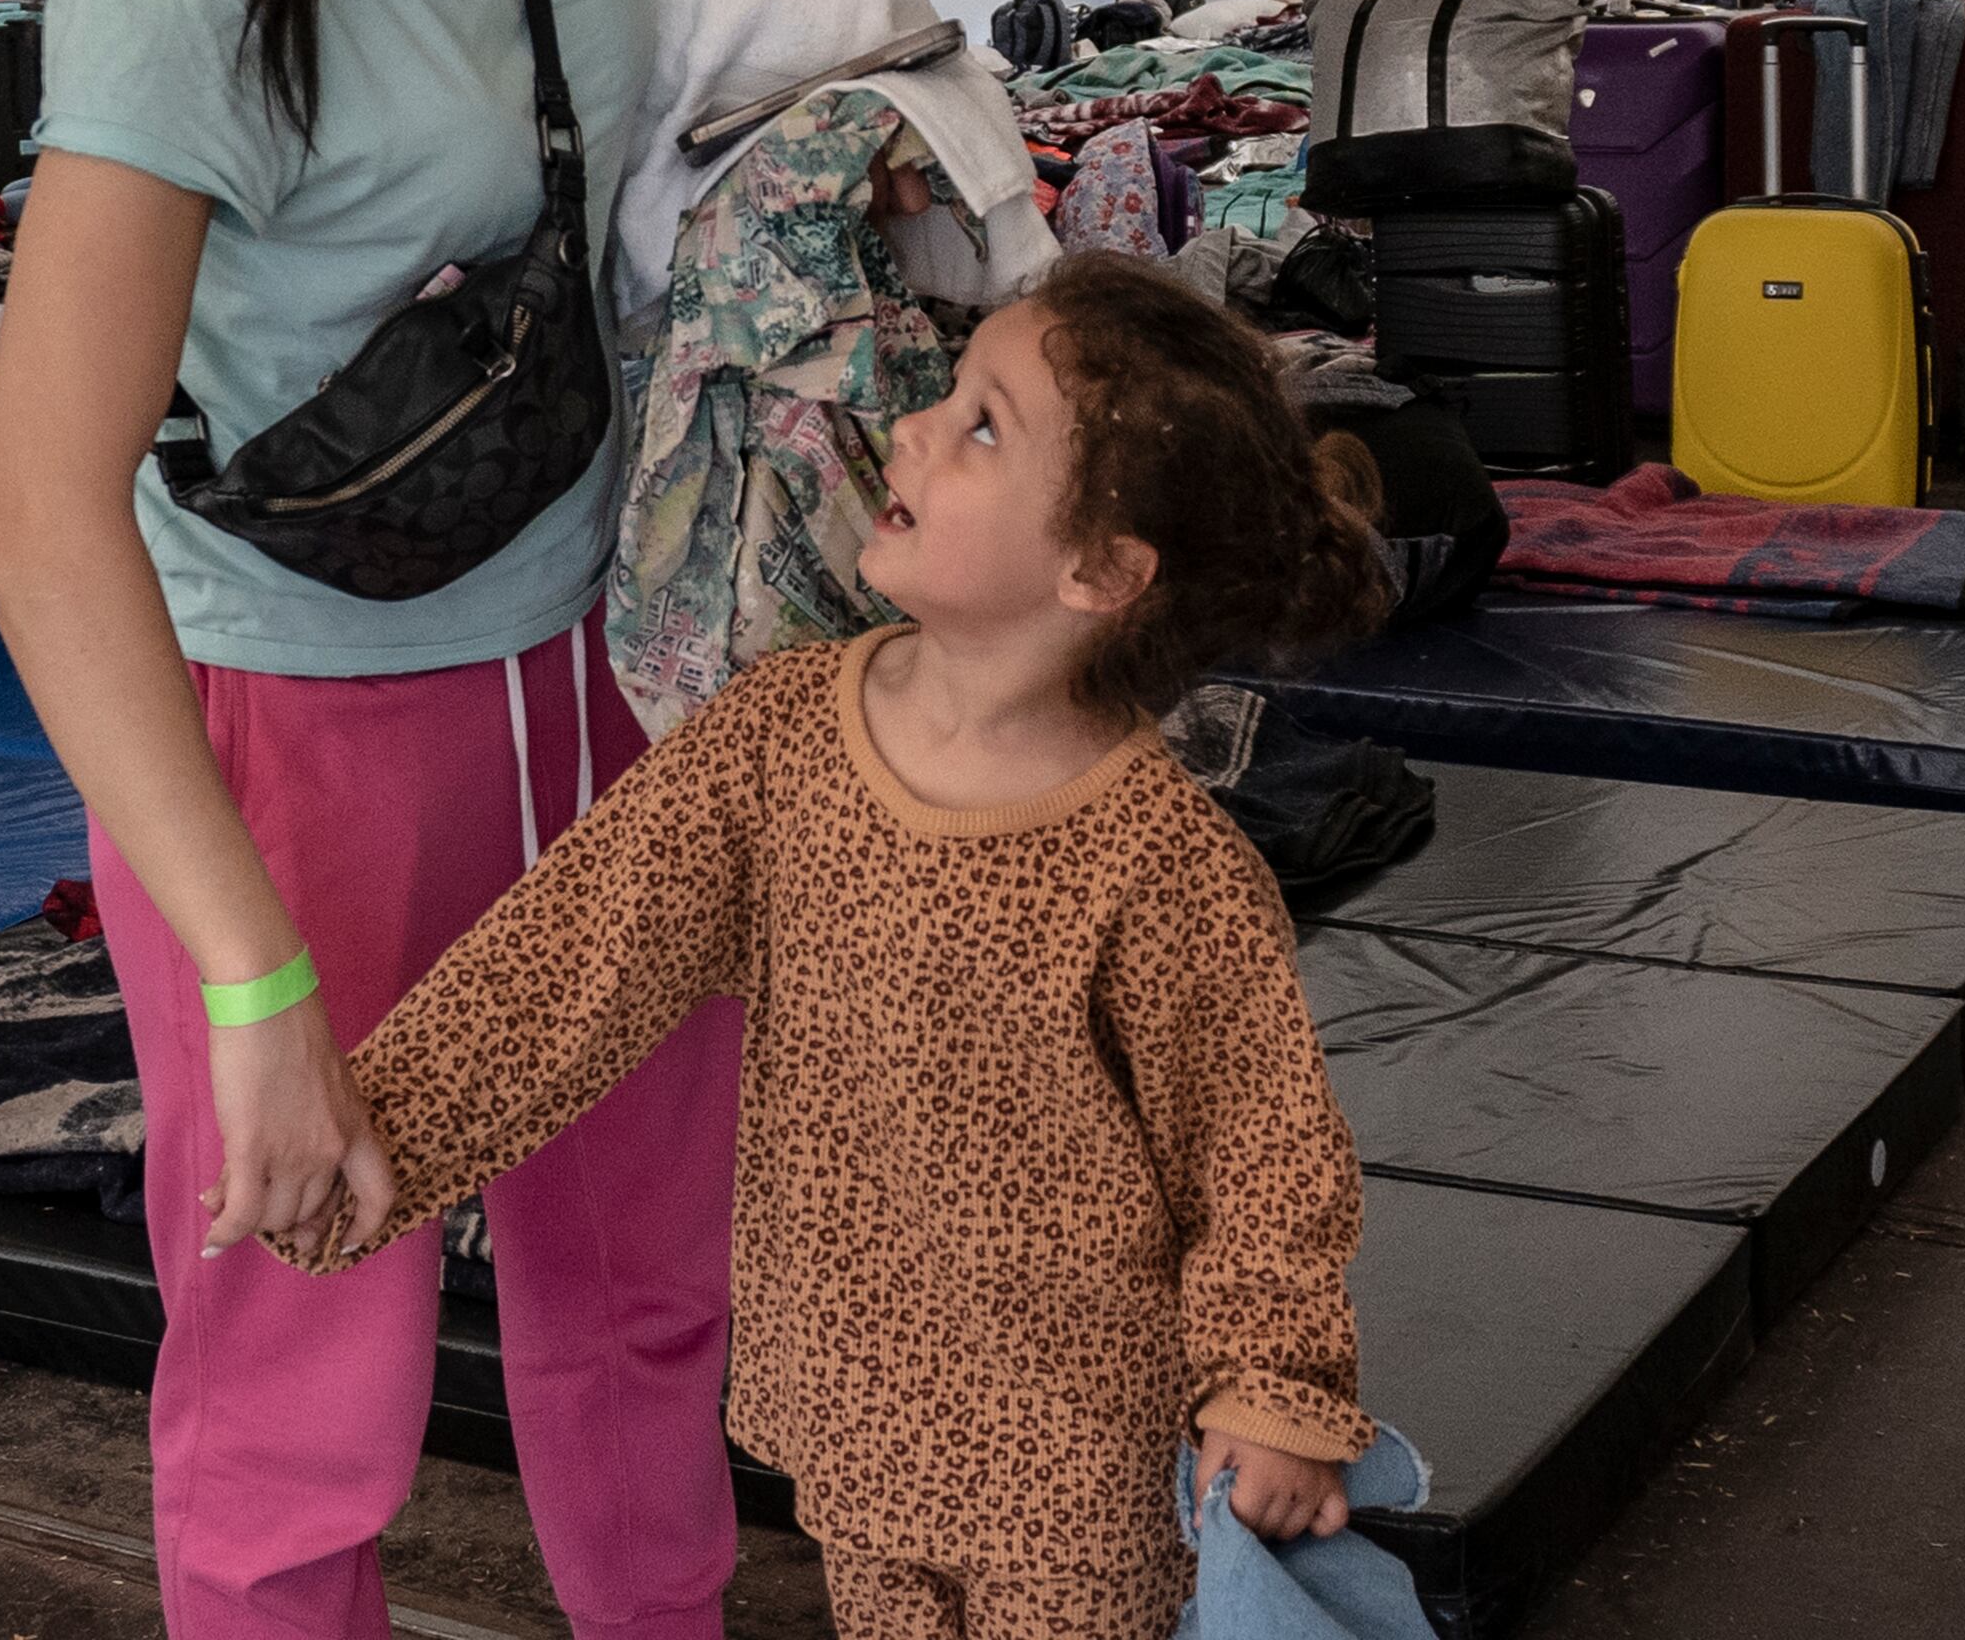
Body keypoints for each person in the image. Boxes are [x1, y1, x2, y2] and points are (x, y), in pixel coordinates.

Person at [0, 0, 752, 1638]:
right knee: (308, 1325)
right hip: (305, 722)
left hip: (607, 661)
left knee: (646, 1280)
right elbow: (34, 511)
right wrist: (247, 976)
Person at [289, 255, 1394, 1640]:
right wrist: (369, 1134)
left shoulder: (1163, 871)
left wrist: (1274, 1390)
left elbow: (1265, 1155)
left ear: (1103, 571)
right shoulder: (782, 737)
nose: (919, 421)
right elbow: (574, 956)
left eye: (985, 422)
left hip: (1082, 1473)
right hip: (858, 1436)